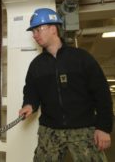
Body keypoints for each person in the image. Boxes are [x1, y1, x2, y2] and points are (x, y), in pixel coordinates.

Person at [18, 8, 113, 161]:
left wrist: (103, 127)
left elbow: (101, 93)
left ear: (53, 28)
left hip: (83, 127)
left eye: (38, 29)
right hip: (50, 129)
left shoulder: (82, 58)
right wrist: (29, 104)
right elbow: (31, 92)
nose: (34, 35)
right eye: (33, 31)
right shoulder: (36, 65)